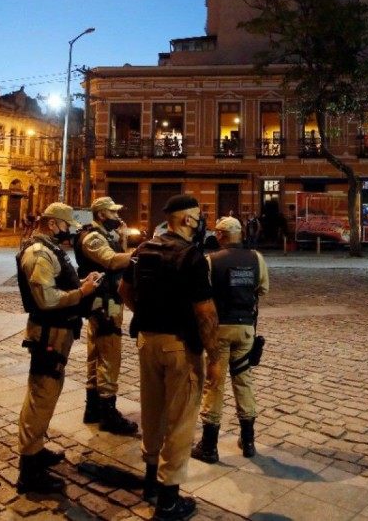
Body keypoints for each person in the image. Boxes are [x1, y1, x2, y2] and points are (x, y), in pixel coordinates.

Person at [121, 194, 221, 519]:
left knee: (152, 411)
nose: (201, 221)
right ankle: (168, 500)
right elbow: (205, 313)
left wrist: (146, 312)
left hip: (147, 341)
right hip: (180, 346)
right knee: (180, 421)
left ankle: (150, 480)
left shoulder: (143, 250)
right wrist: (214, 357)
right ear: (186, 219)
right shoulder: (191, 256)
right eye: (198, 216)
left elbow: (124, 291)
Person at [13, 203, 101, 494]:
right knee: (41, 395)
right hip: (48, 335)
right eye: (65, 226)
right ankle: (29, 470)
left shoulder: (50, 249)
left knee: (47, 393)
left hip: (58, 333)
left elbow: (57, 283)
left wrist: (83, 283)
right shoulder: (39, 253)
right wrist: (81, 292)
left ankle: (36, 449)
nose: (68, 232)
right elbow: (47, 299)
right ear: (52, 224)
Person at [191, 217, 269, 465]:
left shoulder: (211, 261)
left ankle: (209, 446)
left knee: (215, 383)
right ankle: (248, 441)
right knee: (243, 380)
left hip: (219, 329)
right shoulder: (256, 258)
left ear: (220, 235)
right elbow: (263, 289)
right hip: (245, 328)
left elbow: (203, 293)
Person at [75, 197, 139, 436]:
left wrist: (122, 239)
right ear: (101, 214)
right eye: (112, 213)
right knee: (109, 353)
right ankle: (108, 413)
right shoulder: (93, 238)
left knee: (97, 353)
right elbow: (111, 261)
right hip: (105, 303)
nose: (117, 217)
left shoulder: (104, 234)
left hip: (106, 300)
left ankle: (93, 408)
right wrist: (139, 253)